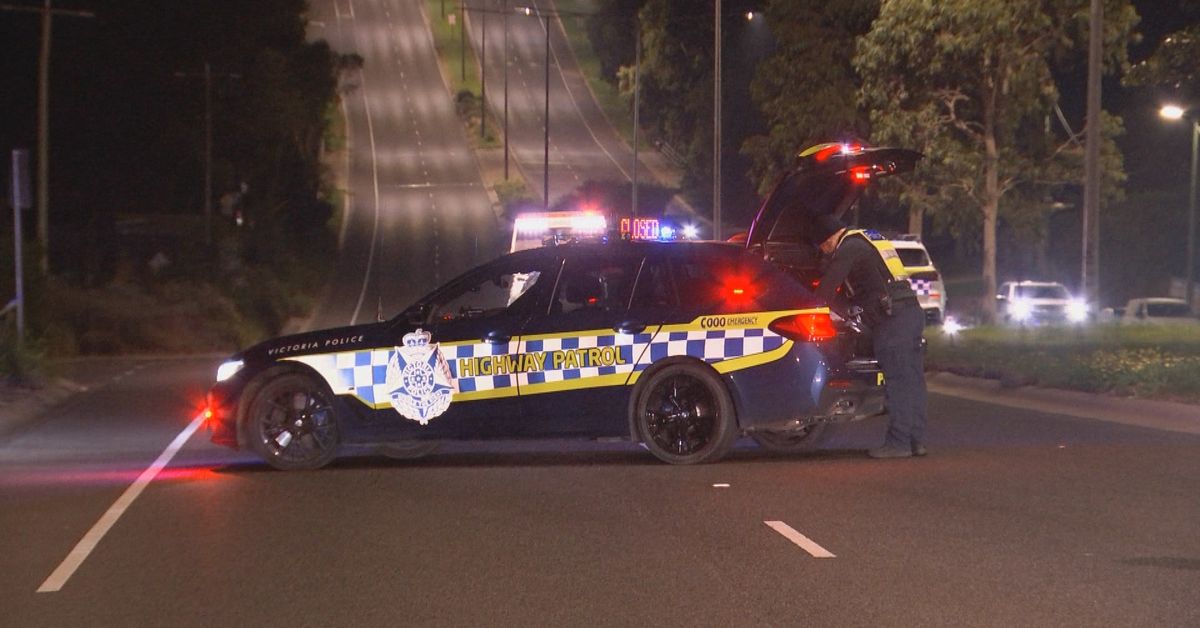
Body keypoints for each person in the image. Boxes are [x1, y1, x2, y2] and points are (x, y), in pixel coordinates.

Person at [809, 214, 928, 459]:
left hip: (893, 320)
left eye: (823, 246)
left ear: (830, 238)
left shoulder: (849, 248)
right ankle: (915, 441)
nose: (824, 252)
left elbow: (825, 292)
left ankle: (898, 443)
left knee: (898, 383)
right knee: (912, 381)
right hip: (910, 313)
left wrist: (809, 304)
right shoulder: (868, 239)